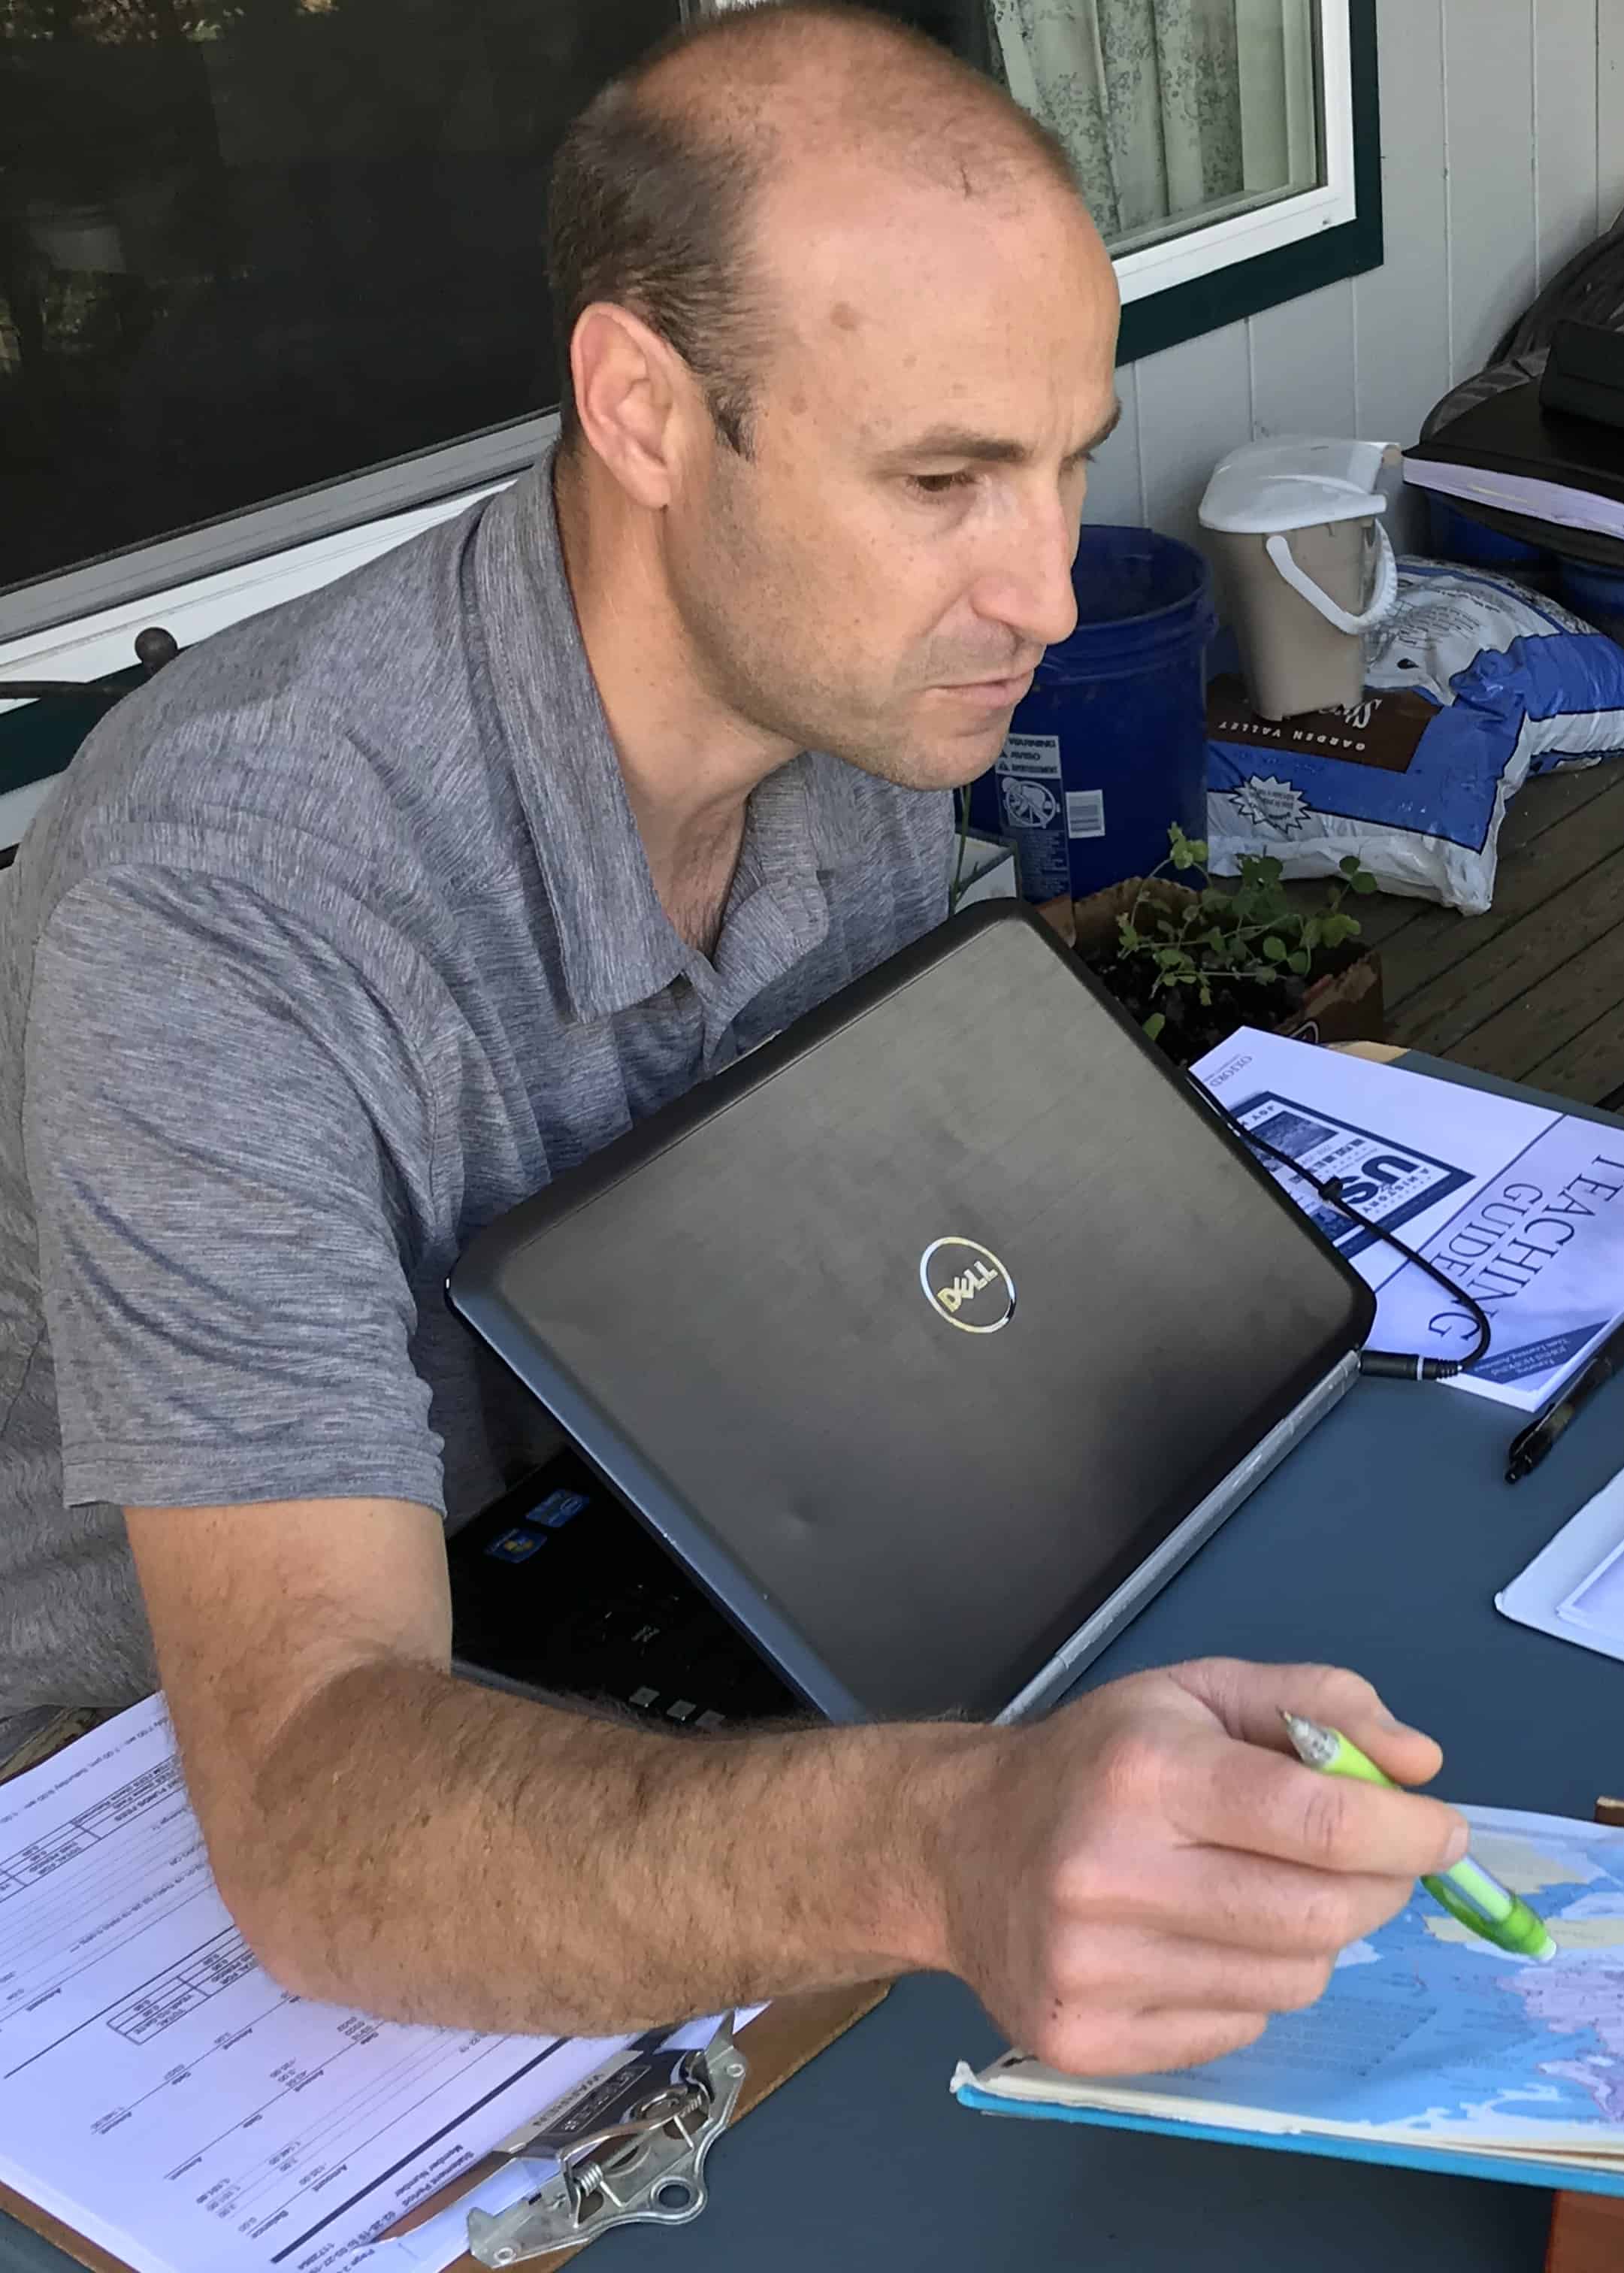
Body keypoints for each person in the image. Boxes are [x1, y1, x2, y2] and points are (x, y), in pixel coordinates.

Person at [0, 2, 1465, 2075]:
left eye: (1063, 459)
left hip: (643, 1567)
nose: (1041, 591)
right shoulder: (228, 898)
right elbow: (314, 1810)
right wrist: (945, 1837)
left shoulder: (851, 697)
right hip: (145, 1812)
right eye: (944, 478)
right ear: (650, 413)